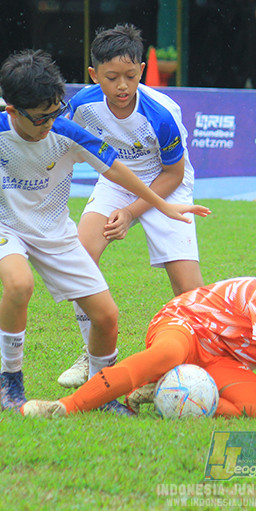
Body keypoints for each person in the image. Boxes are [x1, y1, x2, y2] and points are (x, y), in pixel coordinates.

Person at [0, 49, 210, 412]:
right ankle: (10, 378)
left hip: (55, 233)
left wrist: (161, 206)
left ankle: (101, 390)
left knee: (106, 316)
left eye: (55, 113)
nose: (49, 124)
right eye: (40, 118)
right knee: (20, 284)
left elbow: (116, 169)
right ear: (12, 111)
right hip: (1, 224)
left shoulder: (66, 129)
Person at [55, 24, 204, 389]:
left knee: (190, 291)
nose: (122, 86)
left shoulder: (161, 114)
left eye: (130, 75)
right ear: (93, 75)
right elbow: (58, 147)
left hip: (168, 184)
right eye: (111, 77)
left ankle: (205, 359)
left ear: (141, 68)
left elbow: (173, 173)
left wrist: (132, 212)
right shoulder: (82, 105)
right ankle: (95, 353)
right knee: (80, 256)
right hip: (115, 180)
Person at [21, 277, 256, 428]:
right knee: (167, 354)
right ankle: (65, 407)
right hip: (185, 324)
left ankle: (161, 390)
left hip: (220, 360)